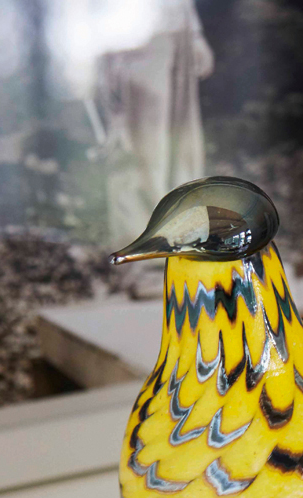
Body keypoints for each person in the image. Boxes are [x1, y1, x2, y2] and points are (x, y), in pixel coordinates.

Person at [92, 0, 214, 296]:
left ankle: (187, 255)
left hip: (173, 25)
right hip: (126, 25)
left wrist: (193, 31)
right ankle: (143, 266)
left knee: (183, 150)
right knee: (138, 152)